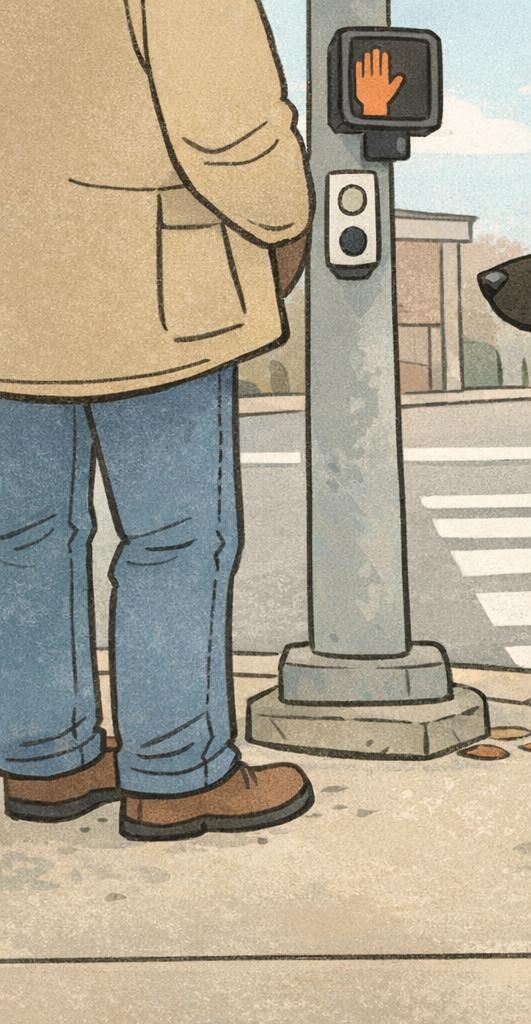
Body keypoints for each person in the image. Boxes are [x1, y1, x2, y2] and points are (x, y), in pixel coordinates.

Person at [0, 0, 316, 840]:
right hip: (152, 284)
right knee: (177, 540)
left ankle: (44, 758)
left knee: (25, 538)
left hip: (10, 279)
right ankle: (178, 771)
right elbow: (228, 125)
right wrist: (286, 220)